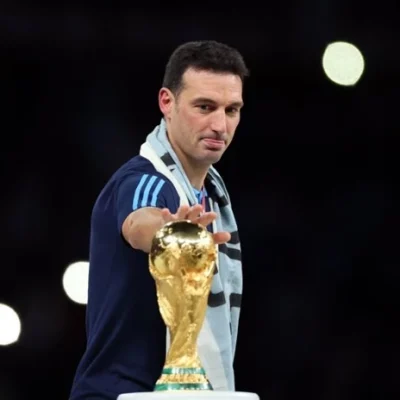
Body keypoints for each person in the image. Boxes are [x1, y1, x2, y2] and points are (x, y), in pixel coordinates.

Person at [69, 40, 250, 400]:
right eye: (204, 107)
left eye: (232, 110)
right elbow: (139, 223)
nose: (220, 125)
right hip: (118, 394)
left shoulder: (211, 196)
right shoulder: (145, 179)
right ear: (167, 102)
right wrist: (173, 233)